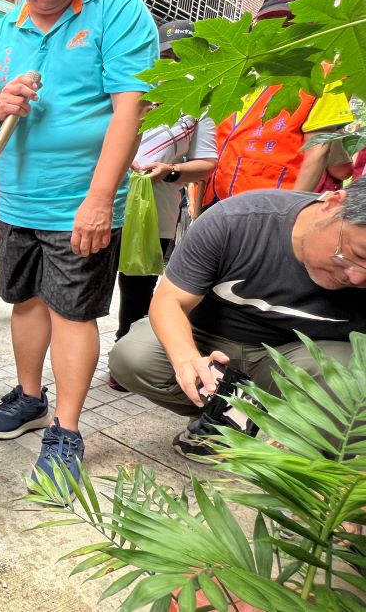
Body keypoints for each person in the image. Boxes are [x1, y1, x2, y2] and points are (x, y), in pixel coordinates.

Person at [0, 0, 158, 487]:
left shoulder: (119, 12)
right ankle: (29, 397)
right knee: (25, 302)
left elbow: (130, 109)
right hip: (17, 200)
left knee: (74, 315)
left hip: (82, 206)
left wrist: (100, 201)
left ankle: (67, 430)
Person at [108, 180, 366, 459]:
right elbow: (169, 301)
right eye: (353, 255)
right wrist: (187, 360)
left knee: (354, 381)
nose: (356, 277)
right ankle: (227, 416)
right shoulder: (239, 220)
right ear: (332, 204)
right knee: (134, 355)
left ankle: (318, 458)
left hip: (298, 359)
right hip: (211, 340)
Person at [107, 20, 216, 389]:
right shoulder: (128, 88)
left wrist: (170, 171)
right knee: (92, 281)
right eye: (166, 54)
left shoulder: (202, 103)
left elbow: (207, 163)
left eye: (182, 56)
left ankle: (124, 362)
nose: (172, 62)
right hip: (107, 204)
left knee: (137, 289)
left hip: (159, 216)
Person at [202, 0, 353, 210]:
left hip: (268, 210)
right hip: (215, 200)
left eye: (292, 24)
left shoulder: (322, 74)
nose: (281, 31)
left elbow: (318, 151)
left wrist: (289, 215)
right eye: (271, 23)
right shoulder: (241, 74)